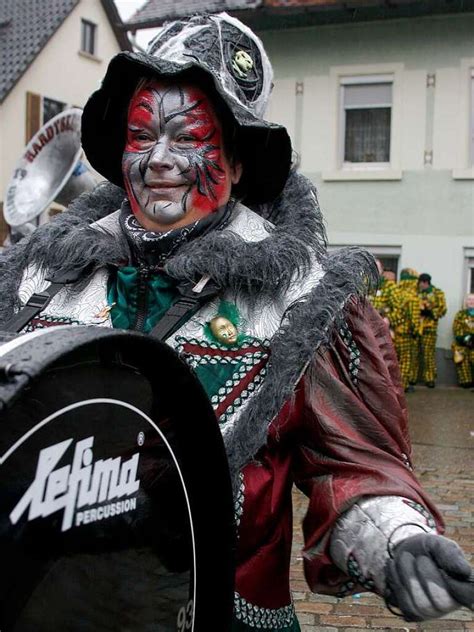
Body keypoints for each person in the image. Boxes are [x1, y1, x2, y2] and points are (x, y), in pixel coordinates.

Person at [0, 13, 472, 631]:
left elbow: (352, 469)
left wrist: (398, 542)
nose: (159, 160)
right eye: (141, 136)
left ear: (241, 160)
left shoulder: (303, 301)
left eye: (188, 138)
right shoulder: (40, 274)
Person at [415, 273, 447, 388]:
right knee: (414, 353)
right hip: (415, 327)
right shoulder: (416, 292)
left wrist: (430, 312)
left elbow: (443, 309)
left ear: (425, 282)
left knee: (428, 354)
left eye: (420, 283)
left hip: (429, 328)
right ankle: (412, 378)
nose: (418, 285)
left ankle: (430, 379)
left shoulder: (437, 293)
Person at [393, 268, 421, 392]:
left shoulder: (395, 292)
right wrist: (416, 332)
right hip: (405, 334)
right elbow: (414, 320)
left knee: (393, 359)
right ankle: (403, 386)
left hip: (392, 332)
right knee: (405, 361)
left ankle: (392, 386)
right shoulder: (413, 297)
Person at [368, 259, 401, 341]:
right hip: (366, 327)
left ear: (381, 270)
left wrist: (388, 319)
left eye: (377, 268)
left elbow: (399, 309)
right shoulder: (364, 286)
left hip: (382, 328)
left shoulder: (390, 286)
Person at [452, 293, 474, 388]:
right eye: (469, 299)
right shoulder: (460, 314)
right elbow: (456, 328)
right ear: (466, 302)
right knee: (461, 355)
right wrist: (465, 338)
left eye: (473, 300)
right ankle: (466, 381)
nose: (471, 302)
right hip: (463, 343)